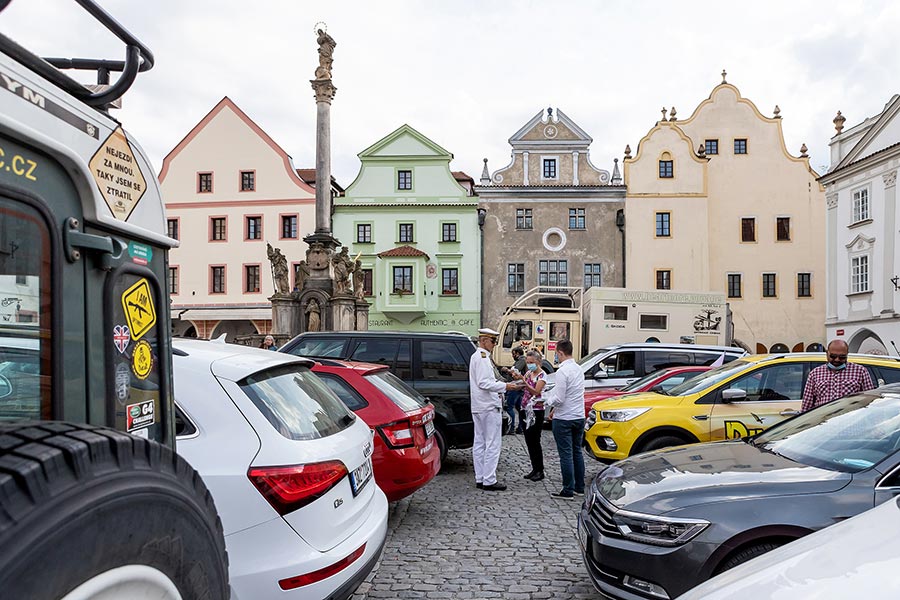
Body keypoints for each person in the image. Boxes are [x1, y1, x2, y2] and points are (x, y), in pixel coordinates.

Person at [469, 328, 521, 491]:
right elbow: (484, 383)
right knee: (492, 443)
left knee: (479, 442)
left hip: (479, 405)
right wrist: (506, 386)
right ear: (484, 340)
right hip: (488, 406)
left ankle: (480, 477)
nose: (494, 345)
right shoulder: (483, 358)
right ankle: (489, 479)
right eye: (493, 341)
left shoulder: (476, 356)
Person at [542, 339, 585, 499]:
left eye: (556, 354)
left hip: (565, 418)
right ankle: (579, 488)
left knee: (566, 454)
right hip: (579, 416)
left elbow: (559, 398)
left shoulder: (562, 371)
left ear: (560, 353)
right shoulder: (579, 369)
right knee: (577, 452)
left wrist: (546, 400)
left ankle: (567, 489)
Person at [801, 339, 874, 412]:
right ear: (827, 353)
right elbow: (807, 406)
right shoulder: (815, 374)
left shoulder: (860, 372)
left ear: (847, 354)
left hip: (851, 420)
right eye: (833, 356)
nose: (837, 360)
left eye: (842, 357)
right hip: (823, 421)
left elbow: (870, 401)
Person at [515, 350, 547, 481]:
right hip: (525, 409)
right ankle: (534, 468)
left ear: (538, 362)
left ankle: (540, 469)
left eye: (532, 363)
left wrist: (524, 381)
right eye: (527, 363)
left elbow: (536, 391)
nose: (529, 365)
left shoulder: (542, 376)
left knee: (535, 440)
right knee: (529, 440)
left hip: (536, 410)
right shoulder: (529, 373)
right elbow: (523, 387)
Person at [501, 347, 525, 435]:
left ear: (517, 353)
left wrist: (506, 370)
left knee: (509, 407)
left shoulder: (521, 360)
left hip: (516, 387)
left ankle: (511, 428)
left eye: (513, 354)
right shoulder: (521, 360)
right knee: (519, 408)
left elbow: (515, 372)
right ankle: (520, 428)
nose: (512, 356)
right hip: (520, 386)